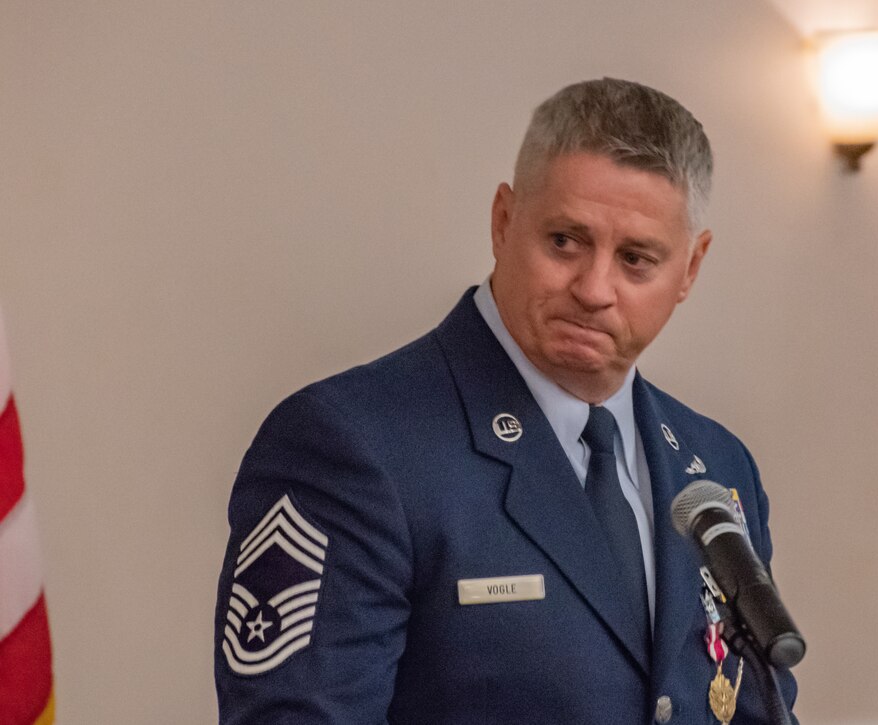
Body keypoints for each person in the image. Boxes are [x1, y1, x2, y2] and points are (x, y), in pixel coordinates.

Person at [214, 77, 798, 724]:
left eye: (636, 259)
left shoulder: (715, 467)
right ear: (502, 221)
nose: (594, 288)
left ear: (690, 269)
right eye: (565, 242)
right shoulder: (352, 446)